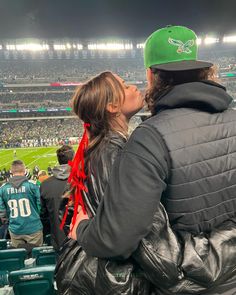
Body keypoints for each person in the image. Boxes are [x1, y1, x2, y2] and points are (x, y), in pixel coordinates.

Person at [70, 26, 236, 294]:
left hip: (192, 283)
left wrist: (84, 231)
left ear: (151, 74)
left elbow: (125, 240)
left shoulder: (149, 138)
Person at [55, 71, 145, 294]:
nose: (133, 87)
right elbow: (125, 232)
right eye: (124, 86)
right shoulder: (112, 153)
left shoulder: (100, 148)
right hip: (112, 279)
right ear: (112, 106)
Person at [0, 160, 43, 248]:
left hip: (15, 228)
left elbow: (2, 211)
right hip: (33, 227)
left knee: (19, 256)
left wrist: (9, 221)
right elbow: (40, 205)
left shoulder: (3, 188)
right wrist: (36, 216)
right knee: (36, 256)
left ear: (11, 172)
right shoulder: (32, 185)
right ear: (24, 171)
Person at [40, 145, 74, 251]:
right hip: (80, 240)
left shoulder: (45, 185)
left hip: (58, 240)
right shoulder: (83, 182)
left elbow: (44, 216)